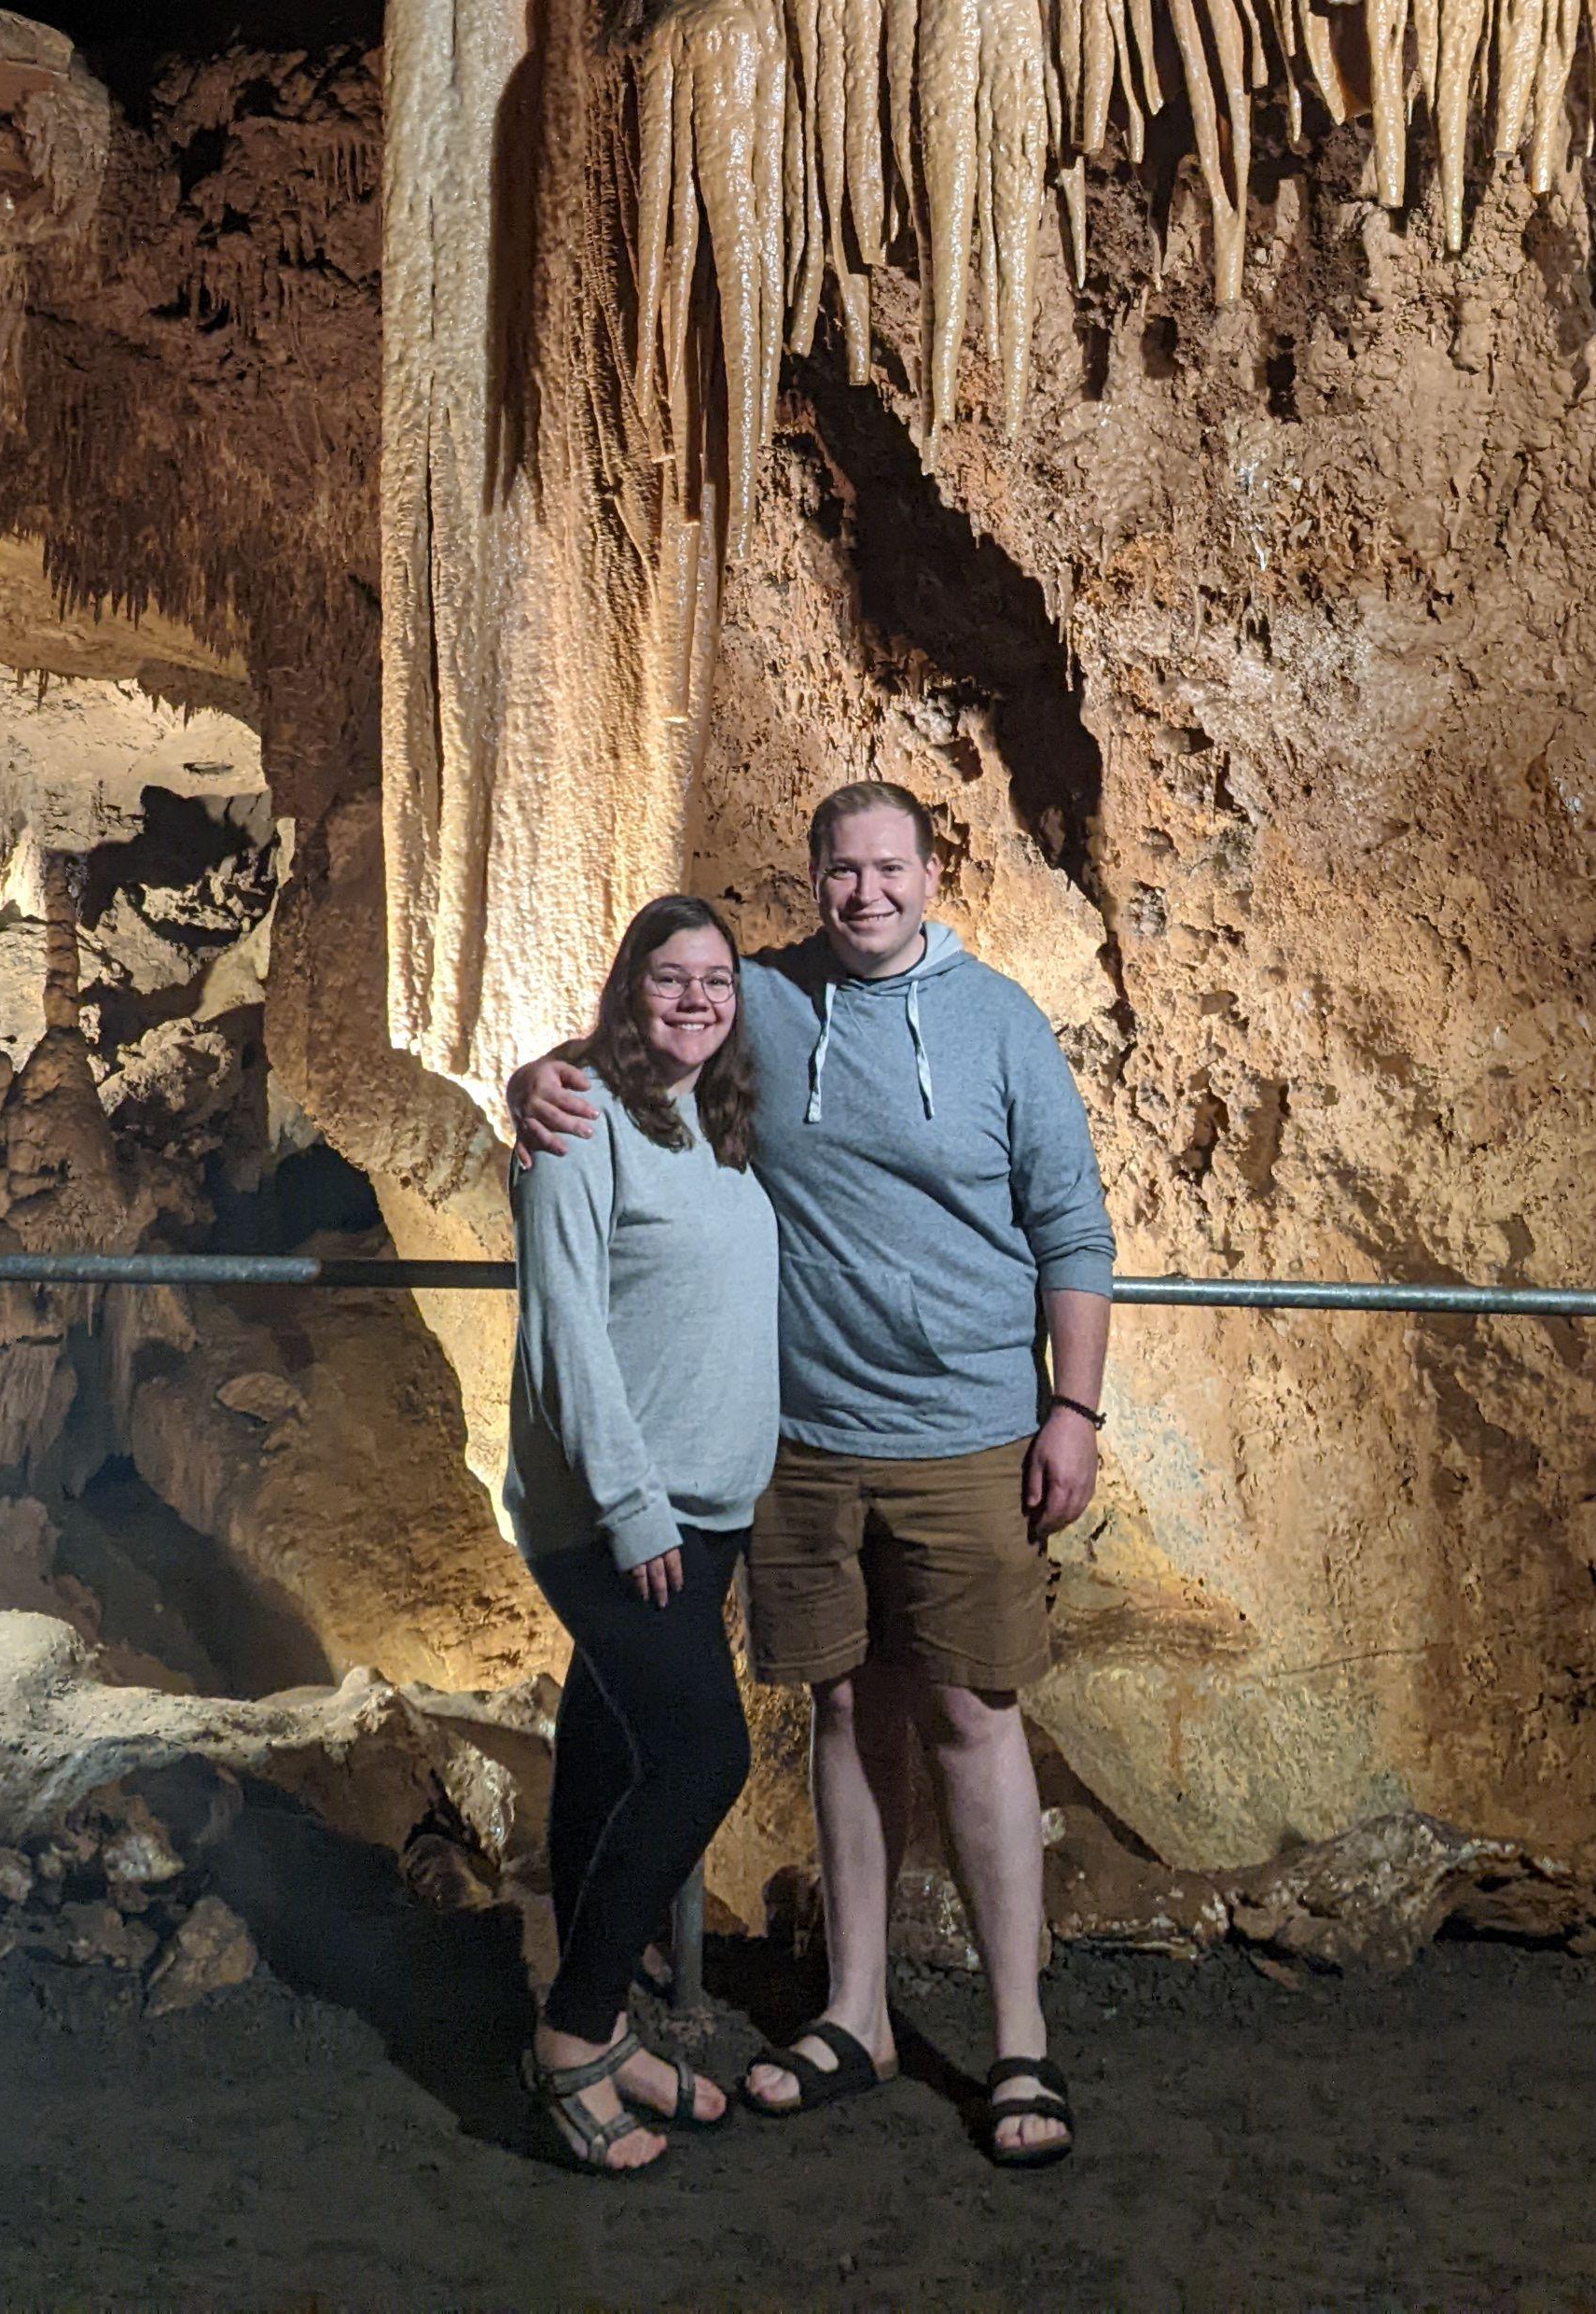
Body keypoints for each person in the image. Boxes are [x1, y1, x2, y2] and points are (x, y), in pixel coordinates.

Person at [510, 783, 1111, 2168]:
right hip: (810, 1443)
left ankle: (1019, 2038)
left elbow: (1072, 1223)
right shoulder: (771, 1001)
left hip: (970, 1431)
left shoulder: (1002, 1024)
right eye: (842, 871)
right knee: (844, 1710)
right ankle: (856, 2012)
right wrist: (532, 1076)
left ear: (932, 875)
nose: (867, 893)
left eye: (890, 869)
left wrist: (1070, 1407)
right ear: (816, 880)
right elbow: (648, 1034)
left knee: (970, 1711)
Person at [505, 891, 779, 2174]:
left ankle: (609, 2027)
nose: (693, 999)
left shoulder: (717, 1127)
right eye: (667, 979)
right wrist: (629, 1504)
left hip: (705, 1510)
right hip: (621, 1516)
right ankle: (570, 2039)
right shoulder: (578, 1119)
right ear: (628, 989)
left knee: (611, 1758)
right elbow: (565, 1325)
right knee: (702, 1757)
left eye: (714, 981)